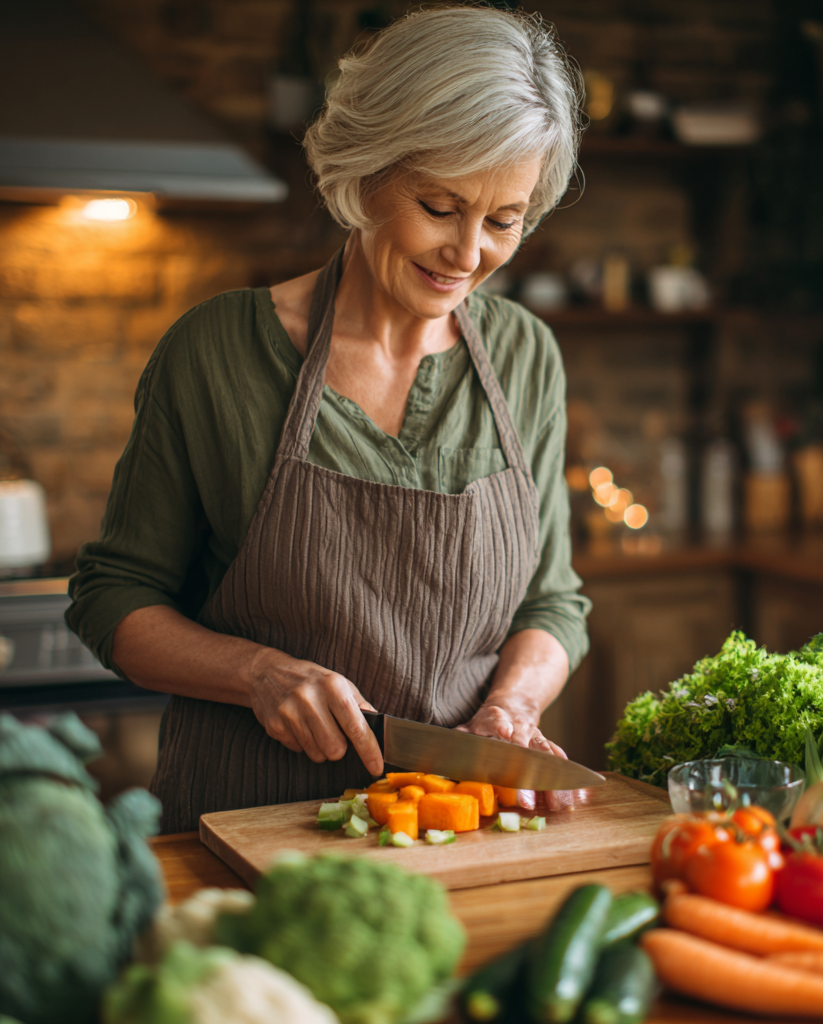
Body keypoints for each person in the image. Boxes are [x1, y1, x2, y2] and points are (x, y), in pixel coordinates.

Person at [67, 4, 591, 834]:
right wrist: (256, 672)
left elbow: (552, 605)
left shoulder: (526, 357)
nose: (467, 254)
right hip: (238, 830)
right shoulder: (216, 354)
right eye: (438, 204)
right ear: (366, 170)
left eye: (503, 221)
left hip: (456, 830)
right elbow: (114, 600)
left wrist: (512, 708)